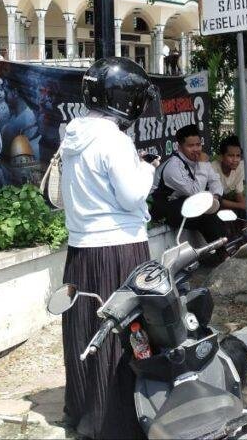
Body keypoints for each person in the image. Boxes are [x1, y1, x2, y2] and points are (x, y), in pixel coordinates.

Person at [58, 57, 158, 440]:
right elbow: (132, 195)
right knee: (123, 333)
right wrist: (148, 169)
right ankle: (117, 420)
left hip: (82, 251)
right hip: (119, 249)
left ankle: (86, 413)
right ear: (126, 99)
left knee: (86, 331)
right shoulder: (113, 139)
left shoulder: (74, 135)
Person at [154, 124, 226, 242]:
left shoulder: (199, 159)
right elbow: (195, 192)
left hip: (185, 203)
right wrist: (202, 164)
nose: (196, 149)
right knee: (204, 214)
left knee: (218, 203)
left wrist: (216, 197)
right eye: (190, 146)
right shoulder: (173, 166)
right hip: (165, 208)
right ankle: (221, 249)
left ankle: (222, 247)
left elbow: (215, 181)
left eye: (198, 145)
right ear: (179, 146)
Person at [210, 135, 247, 219]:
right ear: (221, 157)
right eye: (231, 156)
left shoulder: (240, 168)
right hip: (211, 202)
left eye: (238, 156)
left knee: (244, 211)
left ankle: (246, 229)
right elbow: (215, 199)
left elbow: (239, 195)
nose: (235, 160)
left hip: (223, 199)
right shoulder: (212, 169)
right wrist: (242, 206)